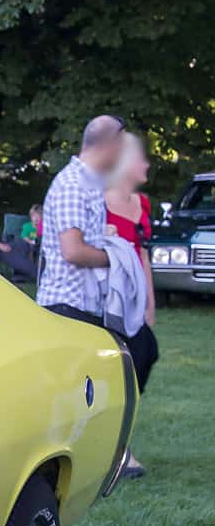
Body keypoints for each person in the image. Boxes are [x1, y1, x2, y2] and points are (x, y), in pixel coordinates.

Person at [104, 130, 158, 477]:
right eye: (141, 158)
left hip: (135, 300)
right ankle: (116, 450)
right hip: (108, 301)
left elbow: (143, 255)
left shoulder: (142, 204)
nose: (147, 164)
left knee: (146, 352)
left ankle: (117, 441)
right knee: (118, 370)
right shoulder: (98, 202)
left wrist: (150, 303)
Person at [36, 114, 124, 323]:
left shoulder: (90, 184)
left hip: (83, 306)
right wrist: (116, 258)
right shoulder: (72, 186)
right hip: (67, 307)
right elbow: (73, 251)